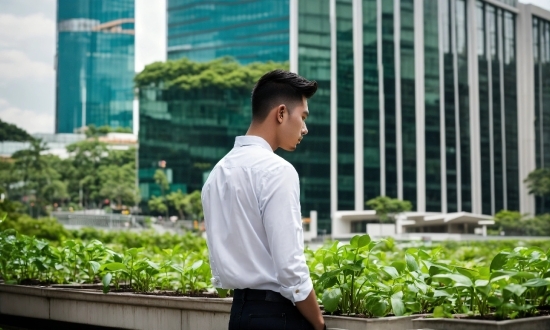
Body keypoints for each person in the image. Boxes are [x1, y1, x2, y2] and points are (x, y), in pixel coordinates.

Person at [201, 70, 326, 330]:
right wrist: (319, 323)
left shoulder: (217, 173)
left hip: (239, 315)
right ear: (281, 113)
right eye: (302, 117)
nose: (305, 128)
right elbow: (291, 269)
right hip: (277, 317)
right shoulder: (278, 171)